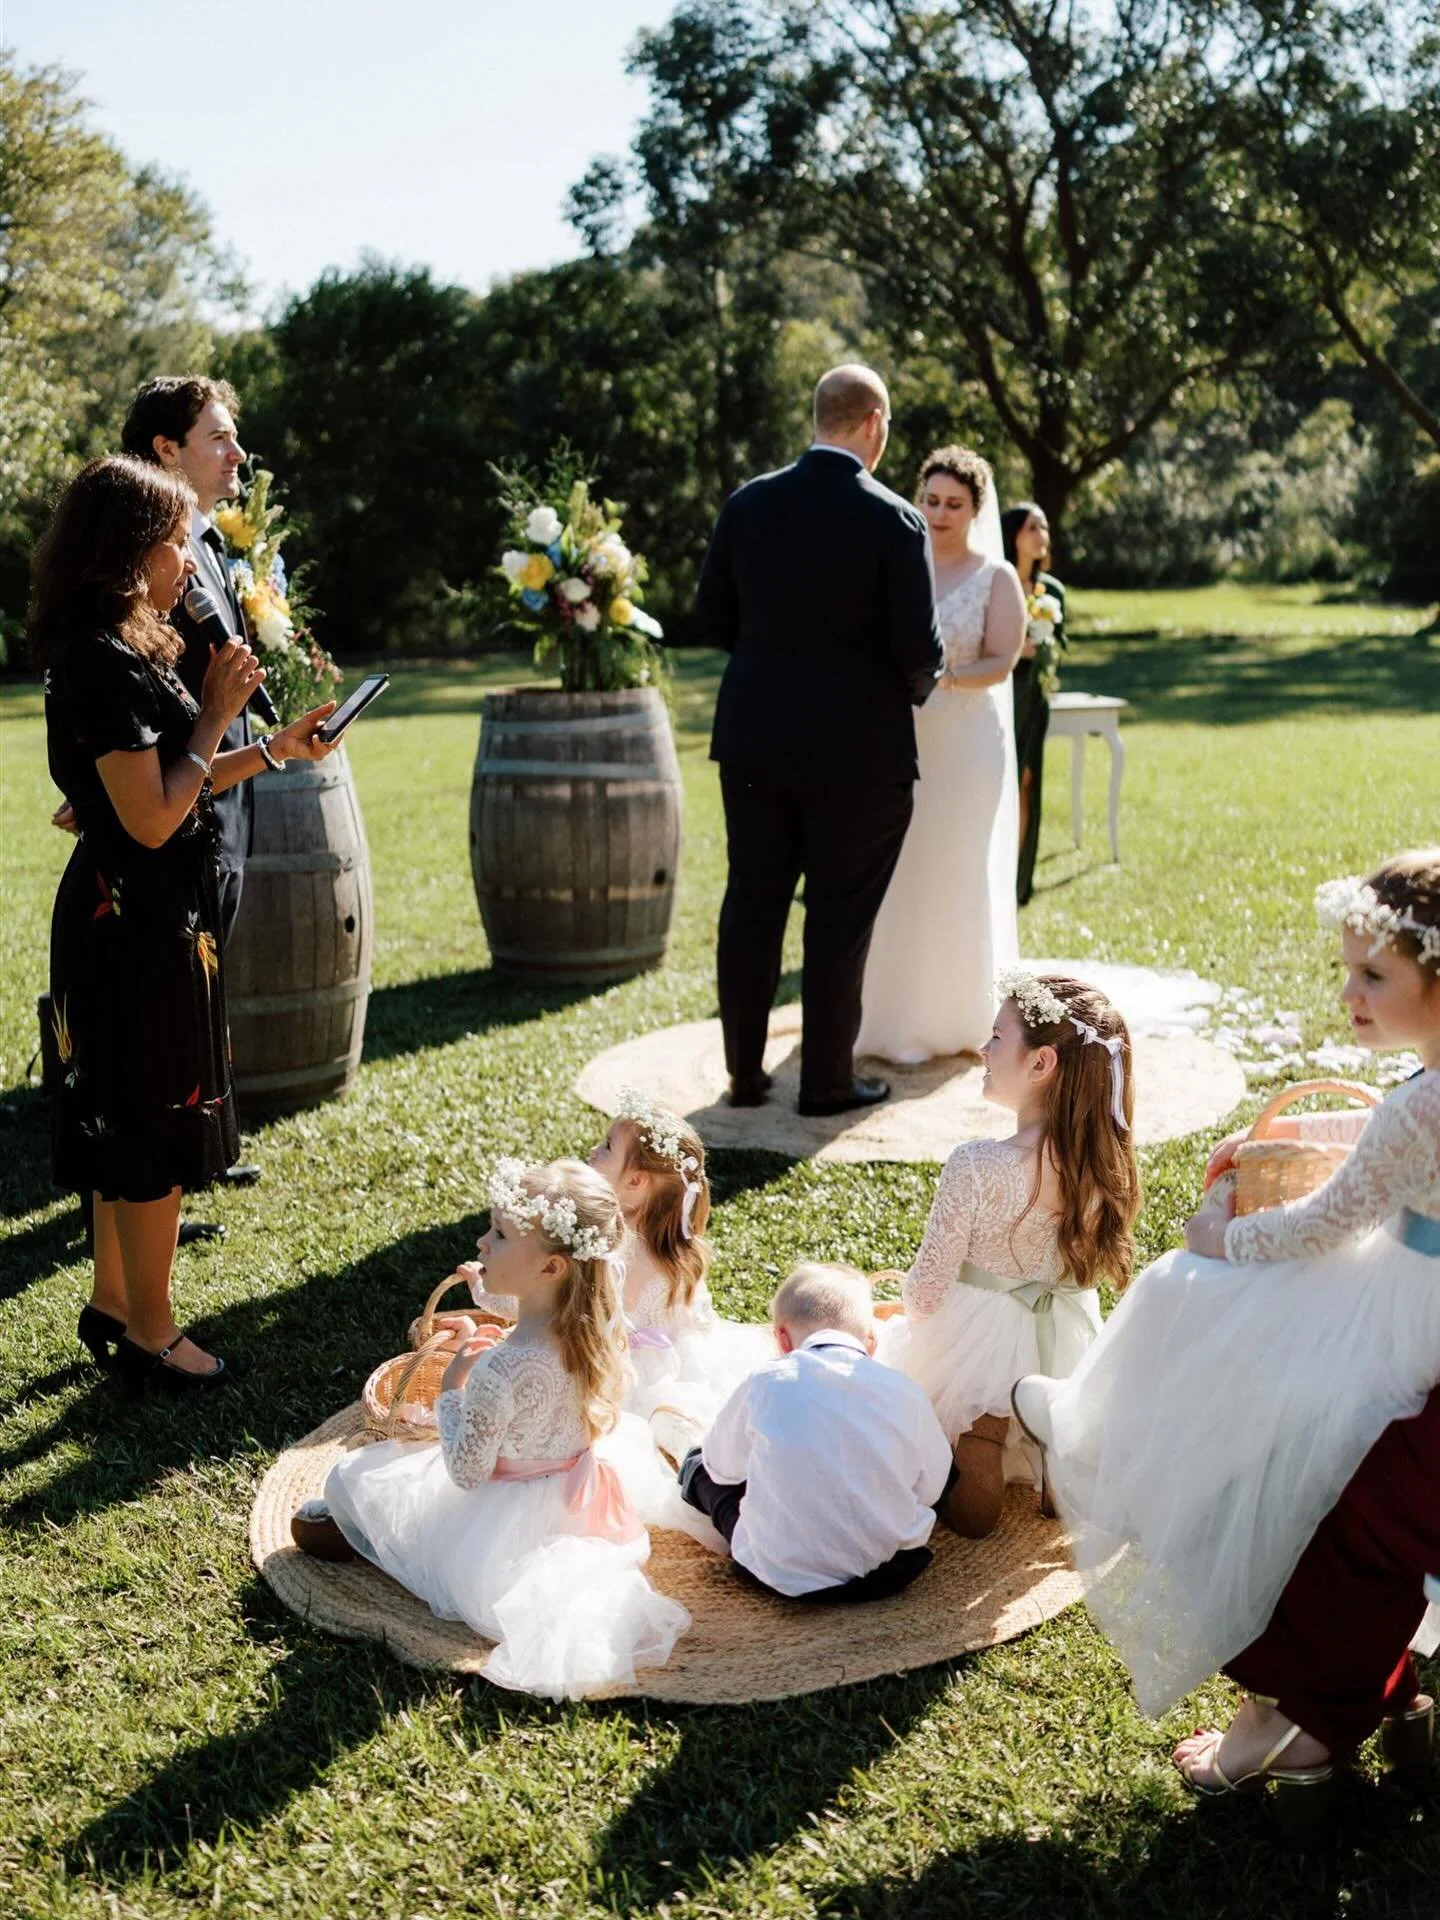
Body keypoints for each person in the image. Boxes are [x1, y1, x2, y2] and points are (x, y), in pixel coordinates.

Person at [1013, 851, 1440, 1817]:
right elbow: (1391, 1140)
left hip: (1409, 1325)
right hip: (1417, 1299)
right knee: (1269, 1386)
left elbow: (1320, 1224)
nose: (1349, 994)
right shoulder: (1426, 1090)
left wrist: (1221, 1232)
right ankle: (1361, 1697)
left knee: (1198, 1298)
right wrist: (1270, 1149)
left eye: (1375, 977)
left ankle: (1095, 1421)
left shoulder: (1425, 1106)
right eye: (1348, 970)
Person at [34, 456, 337, 1388]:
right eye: (172, 540)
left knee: (135, 1114)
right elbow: (157, 815)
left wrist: (272, 750)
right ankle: (153, 1331)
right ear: (128, 552)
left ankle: (116, 1301)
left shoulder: (135, 642)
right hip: (132, 927)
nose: (185, 558)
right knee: (151, 1121)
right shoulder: (100, 658)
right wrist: (214, 718)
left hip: (159, 916)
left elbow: (173, 781)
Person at [296, 1161, 691, 1701]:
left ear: (551, 1267)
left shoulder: (500, 1369)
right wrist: (486, 1291)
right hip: (576, 1493)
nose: (482, 1242)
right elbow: (526, 1300)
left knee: (352, 1476)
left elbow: (465, 1471)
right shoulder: (593, 1321)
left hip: (500, 1520)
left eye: (499, 1235)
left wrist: (453, 1389)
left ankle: (348, 1533)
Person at [698, 364, 944, 1117]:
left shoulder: (748, 504)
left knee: (752, 904)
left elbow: (711, 621)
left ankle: (744, 1074)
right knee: (838, 920)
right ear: (872, 422)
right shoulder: (892, 518)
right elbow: (917, 650)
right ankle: (826, 1083)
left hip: (755, 746)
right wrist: (914, 682)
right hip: (859, 758)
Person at [878, 971, 1139, 1538]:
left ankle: (982, 1453)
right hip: (1064, 1339)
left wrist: (908, 1318)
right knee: (1046, 1399)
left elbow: (927, 1289)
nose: (982, 1049)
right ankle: (1055, 1463)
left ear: (1041, 1063)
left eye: (997, 1037)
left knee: (967, 1411)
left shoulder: (976, 1164)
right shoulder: (1101, 1166)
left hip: (978, 1340)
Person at [856, 448, 1024, 1064]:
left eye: (954, 504)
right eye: (931, 500)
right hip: (901, 742)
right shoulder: (902, 564)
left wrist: (937, 679)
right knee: (900, 871)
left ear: (976, 509)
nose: (939, 513)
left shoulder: (995, 577)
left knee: (955, 870)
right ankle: (888, 1016)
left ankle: (960, 1018)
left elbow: (1001, 661)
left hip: (967, 746)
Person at [672, 1263, 953, 1601]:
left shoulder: (767, 1381)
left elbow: (721, 1467)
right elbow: (934, 1485)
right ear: (871, 1341)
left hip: (781, 1570)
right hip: (888, 1566)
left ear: (782, 1339)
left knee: (698, 1467)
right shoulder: (906, 1391)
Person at [587, 1089, 772, 1423]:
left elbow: (571, 1306)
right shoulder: (679, 1244)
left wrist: (489, 1292)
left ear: (636, 1180)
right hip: (687, 1362)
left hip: (629, 1376)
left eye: (607, 1147)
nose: (593, 1151)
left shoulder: (611, 1248)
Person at [1000, 503, 1065, 905]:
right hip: (1002, 692)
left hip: (1034, 699)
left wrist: (1043, 648)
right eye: (1031, 526)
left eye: (1044, 525)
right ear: (1014, 535)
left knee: (1027, 781)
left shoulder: (1053, 591)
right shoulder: (998, 580)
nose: (1041, 533)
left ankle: (1019, 880)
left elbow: (1063, 642)